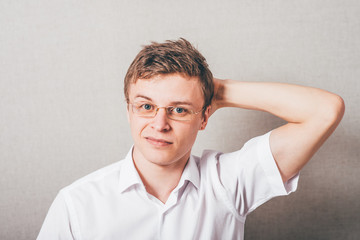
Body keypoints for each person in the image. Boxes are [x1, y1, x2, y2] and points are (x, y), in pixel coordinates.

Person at [37, 38, 345, 240]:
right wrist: (190, 100)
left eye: (179, 110)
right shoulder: (76, 203)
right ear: (128, 111)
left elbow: (325, 110)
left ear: (205, 117)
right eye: (146, 106)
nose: (160, 124)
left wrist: (216, 90)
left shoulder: (228, 182)